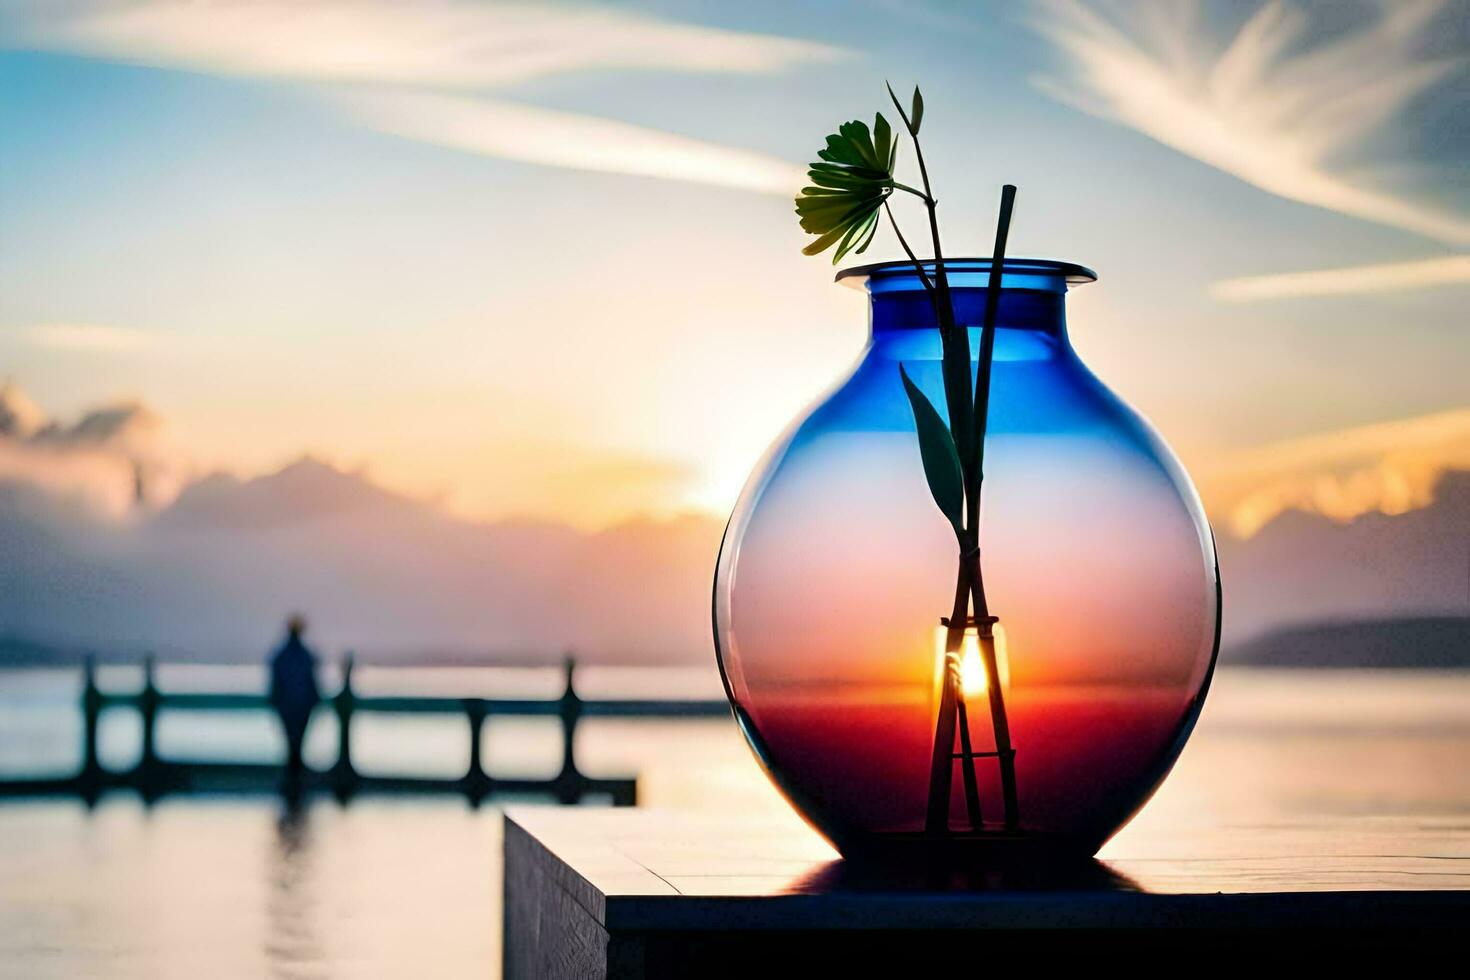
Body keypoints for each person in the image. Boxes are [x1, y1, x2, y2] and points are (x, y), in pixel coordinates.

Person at [268, 614, 321, 789]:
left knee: (292, 744)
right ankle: (295, 784)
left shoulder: (283, 656)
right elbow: (312, 685)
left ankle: (293, 783)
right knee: (296, 744)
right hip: (298, 708)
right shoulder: (304, 656)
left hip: (290, 708)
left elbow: (275, 686)